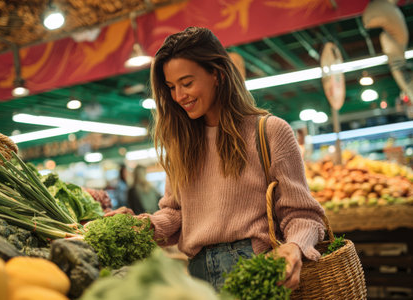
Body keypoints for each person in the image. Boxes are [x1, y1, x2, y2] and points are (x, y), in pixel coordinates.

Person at [106, 26, 326, 291]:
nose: (178, 96)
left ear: (217, 74)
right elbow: (176, 214)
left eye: (187, 83)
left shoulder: (270, 131)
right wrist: (145, 226)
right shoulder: (180, 144)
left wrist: (294, 247)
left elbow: (303, 214)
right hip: (198, 274)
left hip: (254, 267)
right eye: (171, 87)